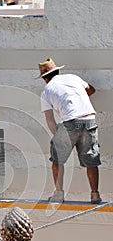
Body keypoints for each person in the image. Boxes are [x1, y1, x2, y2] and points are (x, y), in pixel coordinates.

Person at [38, 58, 101, 204]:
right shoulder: (73, 78)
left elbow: (50, 120)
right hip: (89, 119)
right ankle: (95, 195)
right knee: (91, 160)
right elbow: (91, 89)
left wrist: (58, 138)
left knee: (57, 160)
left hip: (69, 122)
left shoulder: (47, 90)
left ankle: (59, 194)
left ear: (45, 78)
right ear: (58, 71)